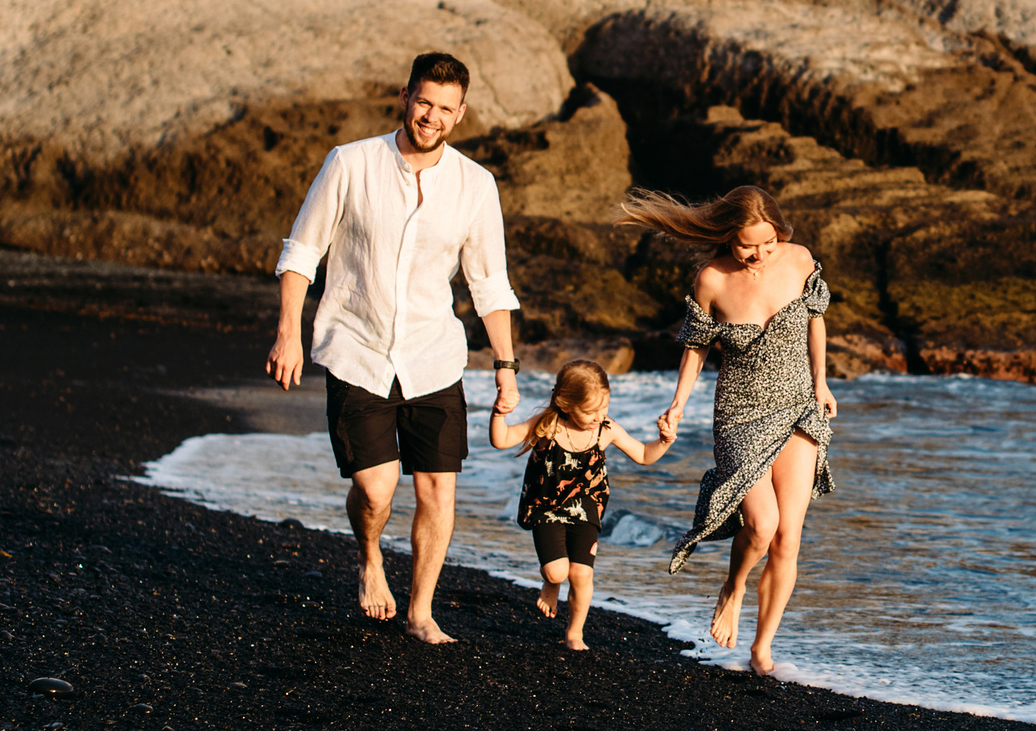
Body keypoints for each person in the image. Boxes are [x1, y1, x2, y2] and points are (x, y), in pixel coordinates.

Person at [267, 51, 520, 645]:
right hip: (358, 349)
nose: (431, 116)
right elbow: (302, 252)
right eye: (423, 101)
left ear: (461, 115)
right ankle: (370, 556)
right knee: (376, 490)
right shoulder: (350, 163)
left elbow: (490, 284)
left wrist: (506, 368)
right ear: (405, 97)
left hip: (434, 356)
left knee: (437, 489)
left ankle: (421, 612)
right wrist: (288, 331)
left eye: (445, 108)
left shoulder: (475, 185)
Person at [624, 185, 837, 676]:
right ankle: (734, 586)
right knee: (760, 526)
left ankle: (762, 648)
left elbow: (816, 320)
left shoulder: (800, 259)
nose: (758, 253)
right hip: (739, 415)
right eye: (747, 245)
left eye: (767, 242)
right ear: (728, 238)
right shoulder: (711, 279)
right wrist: (677, 406)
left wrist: (822, 383)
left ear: (779, 233)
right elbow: (695, 348)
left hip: (799, 408)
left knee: (788, 537)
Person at [489, 360, 679, 651]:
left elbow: (642, 454)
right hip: (546, 507)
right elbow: (501, 440)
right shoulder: (547, 426)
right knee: (557, 572)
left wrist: (664, 441)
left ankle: (574, 633)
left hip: (586, 505)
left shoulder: (606, 429)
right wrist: (499, 413)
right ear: (566, 404)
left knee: (582, 573)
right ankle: (551, 584)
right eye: (589, 411)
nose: (598, 417)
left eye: (603, 408)